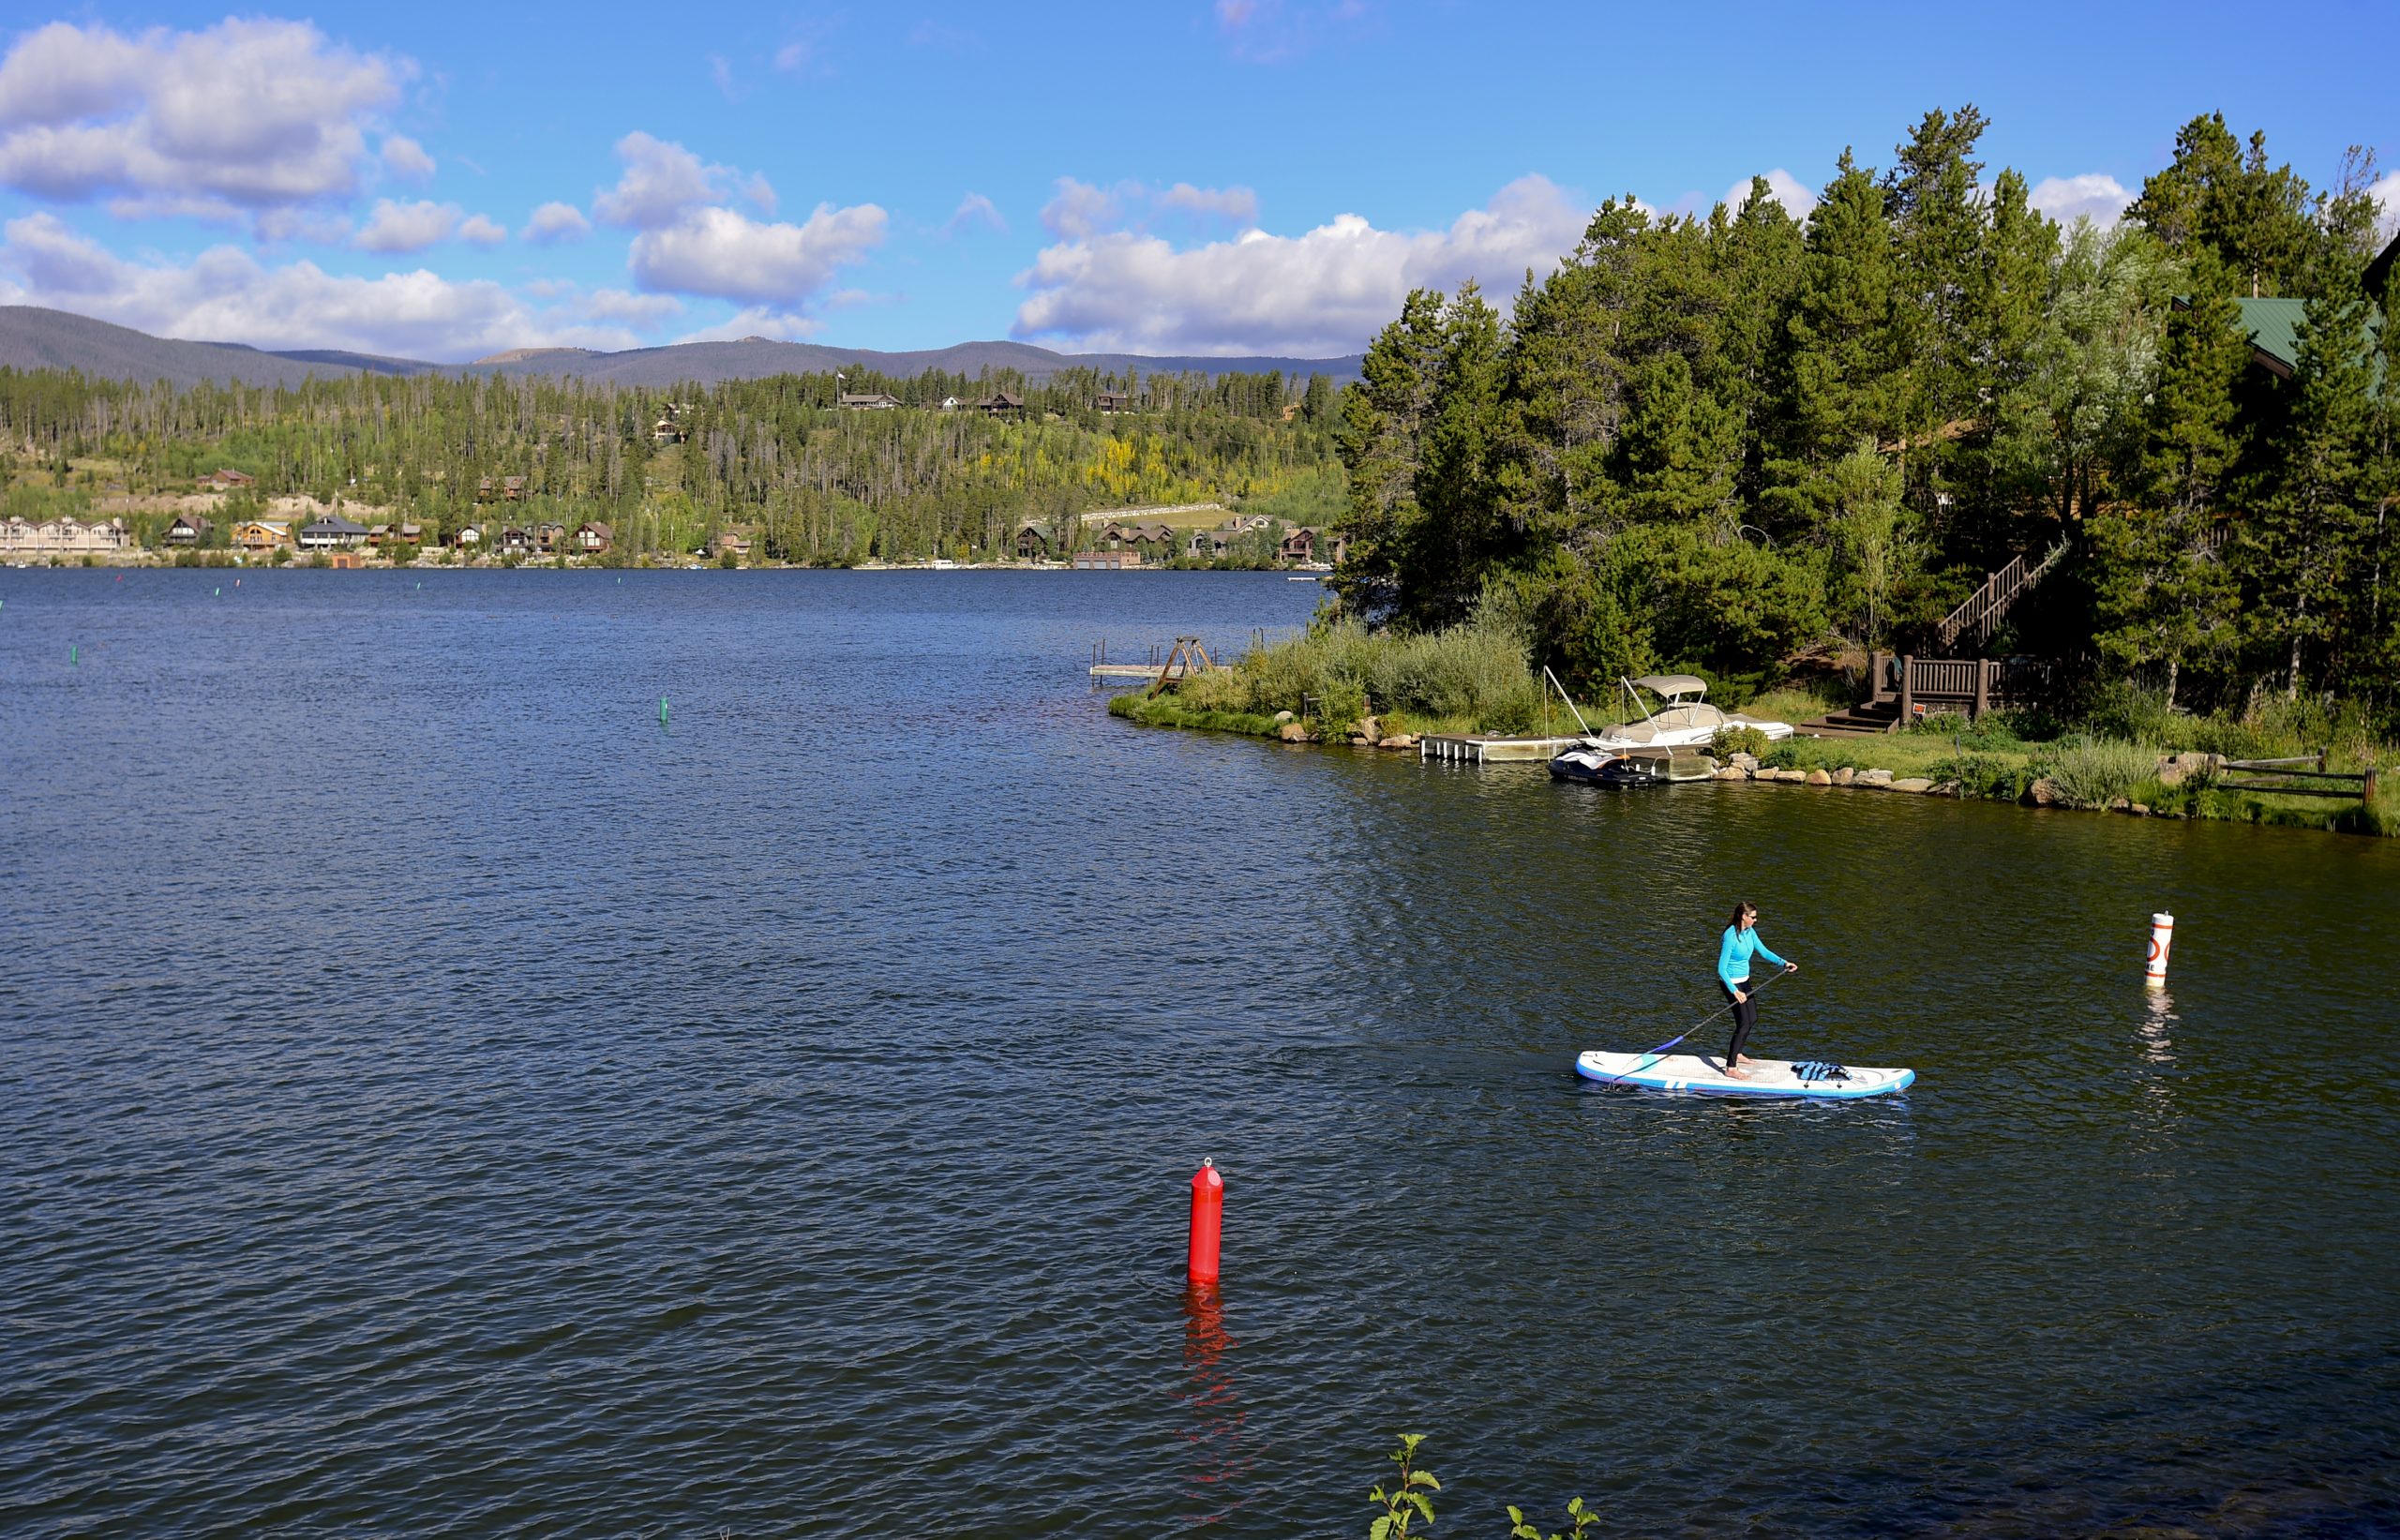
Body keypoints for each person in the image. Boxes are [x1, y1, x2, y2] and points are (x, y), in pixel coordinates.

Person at [1718, 902, 1797, 1079]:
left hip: (1744, 982)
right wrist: (1734, 991)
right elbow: (1721, 969)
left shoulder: (1750, 932)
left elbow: (1764, 952)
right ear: (1744, 917)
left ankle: (1737, 1053)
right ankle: (1731, 1068)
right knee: (1743, 1023)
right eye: (1753, 917)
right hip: (1731, 984)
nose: (1756, 920)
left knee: (1752, 1018)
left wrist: (1783, 963)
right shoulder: (1730, 936)